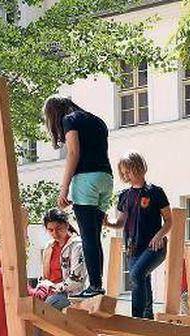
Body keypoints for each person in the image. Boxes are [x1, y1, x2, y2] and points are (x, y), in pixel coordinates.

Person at [44, 96, 111, 298]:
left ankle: (95, 286)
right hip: (105, 178)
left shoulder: (69, 120)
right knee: (95, 237)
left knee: (88, 236)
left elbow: (73, 153)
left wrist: (63, 189)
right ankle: (97, 284)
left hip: (86, 180)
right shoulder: (97, 121)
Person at [105, 151, 171, 321]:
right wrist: (107, 223)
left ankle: (136, 321)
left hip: (154, 247)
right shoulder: (124, 196)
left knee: (136, 276)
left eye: (129, 171)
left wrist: (158, 236)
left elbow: (169, 221)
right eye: (123, 172)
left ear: (139, 168)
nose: (126, 175)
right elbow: (120, 223)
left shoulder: (155, 192)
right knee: (143, 283)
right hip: (132, 249)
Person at [30, 209, 87, 336]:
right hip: (51, 291)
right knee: (29, 311)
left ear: (67, 225)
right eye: (51, 230)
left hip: (69, 294)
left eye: (59, 228)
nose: (55, 233)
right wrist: (43, 285)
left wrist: (54, 287)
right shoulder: (49, 247)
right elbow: (46, 275)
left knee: (40, 313)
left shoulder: (77, 245)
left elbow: (77, 280)